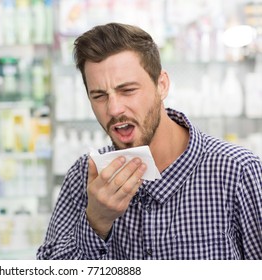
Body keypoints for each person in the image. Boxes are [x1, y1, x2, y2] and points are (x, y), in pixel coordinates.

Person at [37, 23, 262, 260]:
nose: (114, 109)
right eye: (99, 96)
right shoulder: (84, 176)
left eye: (128, 90)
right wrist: (96, 221)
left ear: (161, 85)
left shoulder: (238, 172)